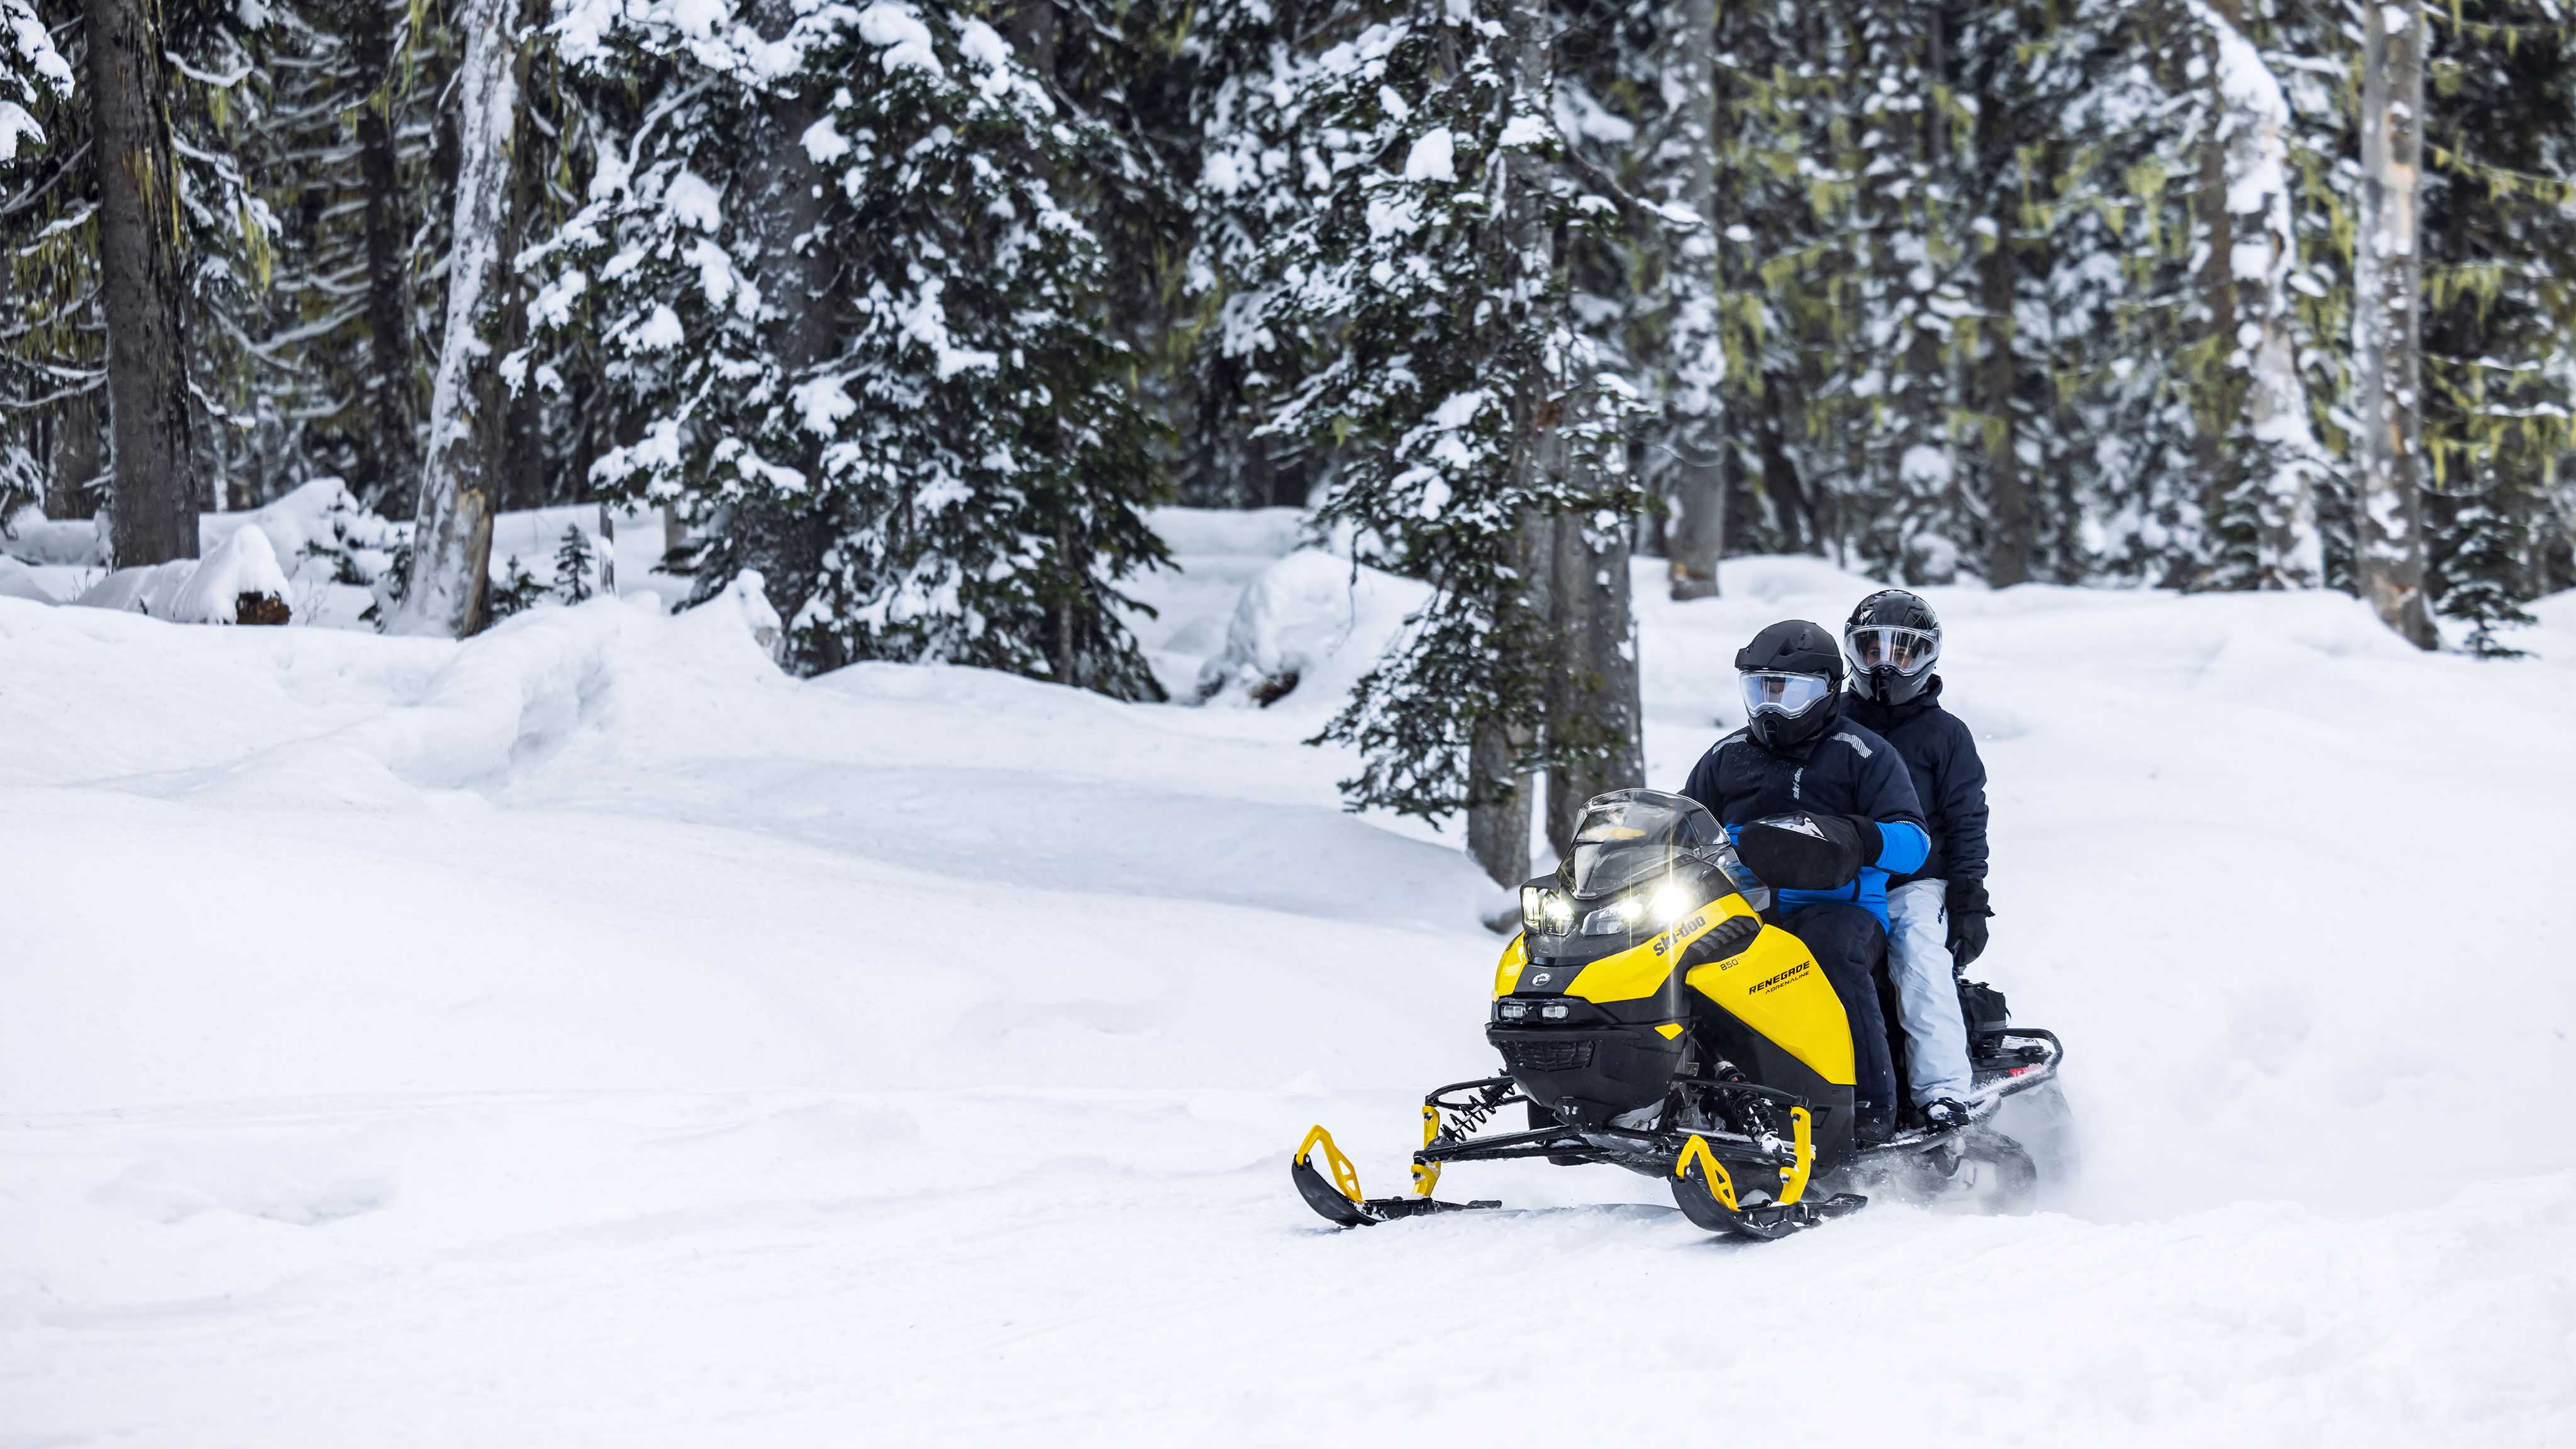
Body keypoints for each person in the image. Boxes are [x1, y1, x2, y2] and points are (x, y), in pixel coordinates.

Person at [1680, 619, 1929, 1145]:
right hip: (1744, 907)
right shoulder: (1727, 756)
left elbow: (1915, 842)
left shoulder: (1863, 752)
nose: (1770, 706)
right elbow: (1685, 824)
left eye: (1786, 691)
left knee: (1829, 949)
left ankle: (1869, 1107)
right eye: (1759, 688)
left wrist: (1859, 837)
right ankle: (1674, 1094)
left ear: (1826, 689)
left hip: (1842, 908)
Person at [1839, 589, 1988, 1133]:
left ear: (1927, 657)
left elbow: (1967, 817)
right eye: (1872, 648)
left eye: (1902, 651)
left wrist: (1970, 896)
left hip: (1912, 882)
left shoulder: (1945, 735)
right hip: (1831, 877)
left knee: (1919, 957)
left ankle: (1943, 1091)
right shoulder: (1828, 720)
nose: (1885, 663)